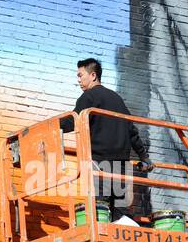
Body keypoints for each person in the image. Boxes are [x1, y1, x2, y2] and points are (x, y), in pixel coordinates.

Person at [59, 58, 152, 223]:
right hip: (121, 167)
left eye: (80, 75)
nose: (78, 80)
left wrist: (50, 127)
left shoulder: (88, 97)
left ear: (93, 75)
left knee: (100, 210)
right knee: (120, 212)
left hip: (99, 165)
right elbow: (132, 131)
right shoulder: (117, 99)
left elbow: (71, 122)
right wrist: (143, 156)